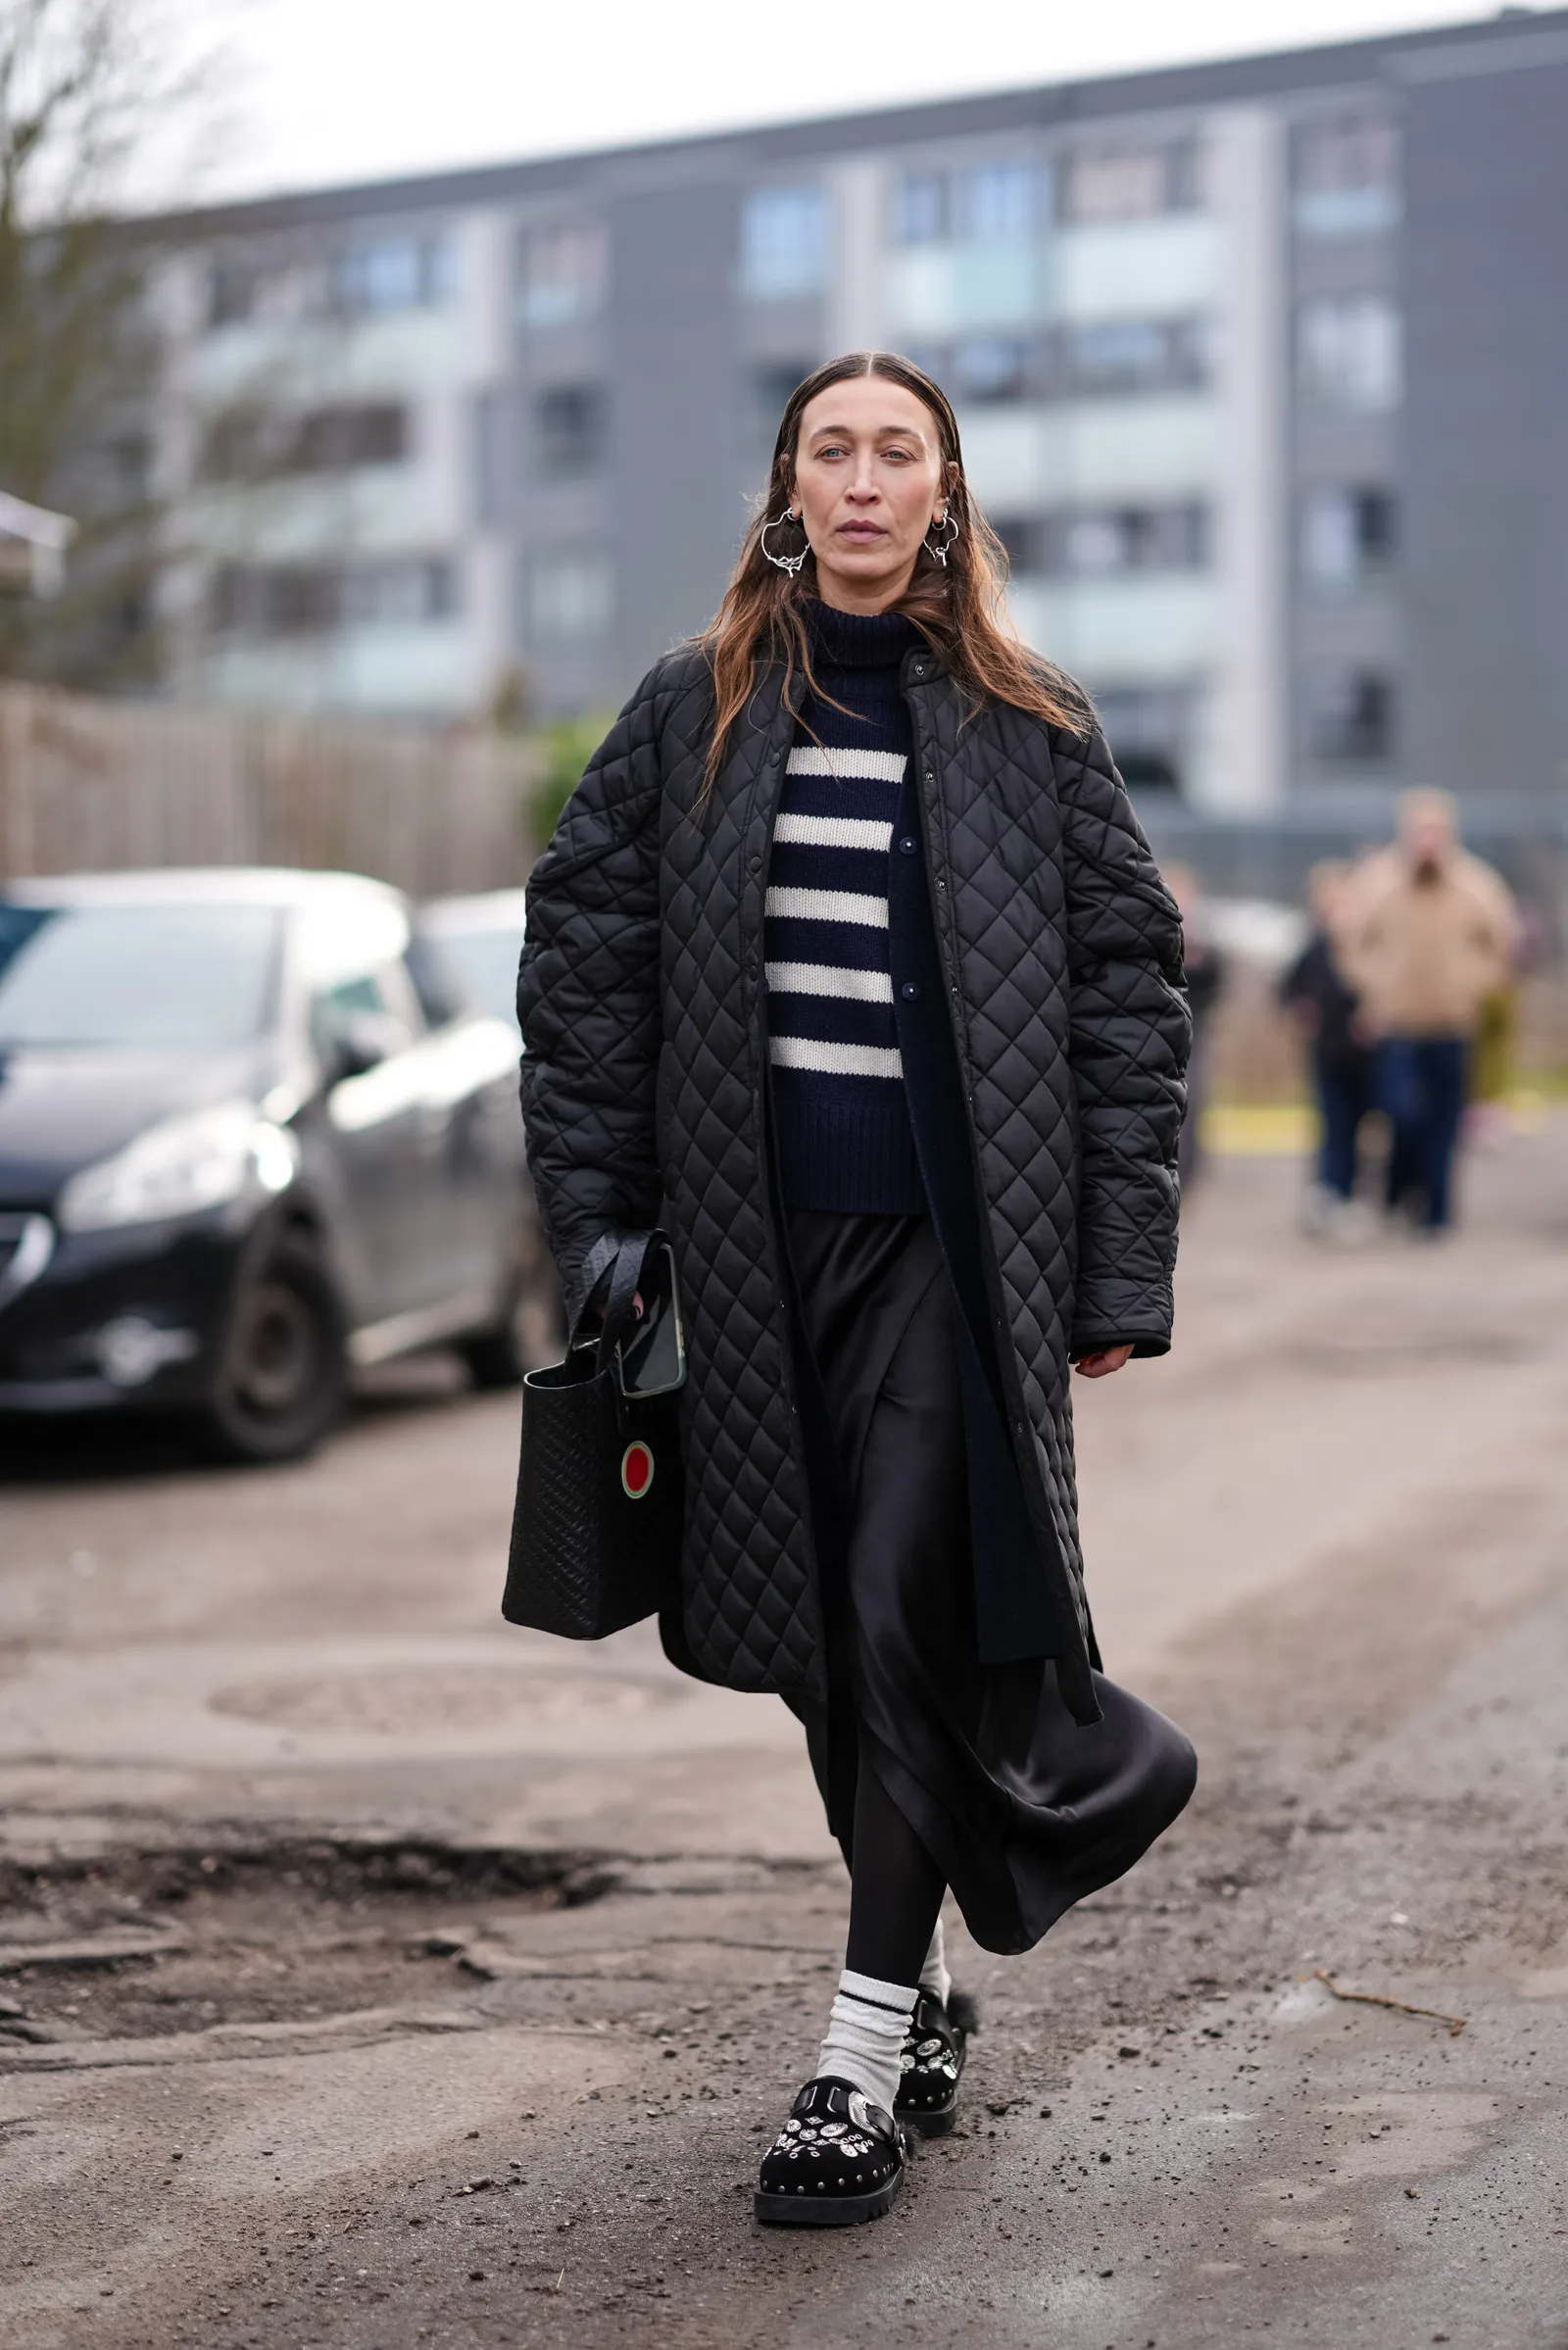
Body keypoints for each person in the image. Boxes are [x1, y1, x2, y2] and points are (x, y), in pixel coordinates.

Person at [516, 351, 1197, 2229]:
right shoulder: (695, 707)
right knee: (826, 1650)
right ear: (790, 488)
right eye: (838, 449)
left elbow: (1129, 991)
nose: (870, 481)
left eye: (903, 450)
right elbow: (581, 964)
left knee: (903, 1606)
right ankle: (927, 1991)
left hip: (953, 1262)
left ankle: (851, 2055)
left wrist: (1118, 1259)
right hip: (746, 1260)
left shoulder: (1029, 723)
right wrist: (598, 1232)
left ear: (948, 491)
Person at [1337, 791, 1517, 1233]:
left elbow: (1503, 943)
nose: (1428, 841)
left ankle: (1436, 1211)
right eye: (1421, 831)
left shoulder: (1476, 884)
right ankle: (1399, 1192)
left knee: (1445, 1122)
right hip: (1397, 1023)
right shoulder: (1378, 881)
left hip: (1452, 1023)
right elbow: (1349, 940)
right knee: (1399, 1114)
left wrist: (1475, 986)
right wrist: (1372, 985)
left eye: (1436, 831)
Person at [1278, 859, 1374, 1234]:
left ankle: (1351, 1193)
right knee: (1333, 1126)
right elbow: (1288, 988)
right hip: (1328, 1051)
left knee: (1359, 1128)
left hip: (1364, 1055)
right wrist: (1301, 1010)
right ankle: (1329, 1194)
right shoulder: (1314, 946)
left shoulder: (1364, 946)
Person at [1166, 865, 1226, 1191]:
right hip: (1164, 1030)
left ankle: (1188, 1171)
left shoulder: (1204, 938)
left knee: (1193, 1099)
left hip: (1194, 1028)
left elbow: (1216, 981)